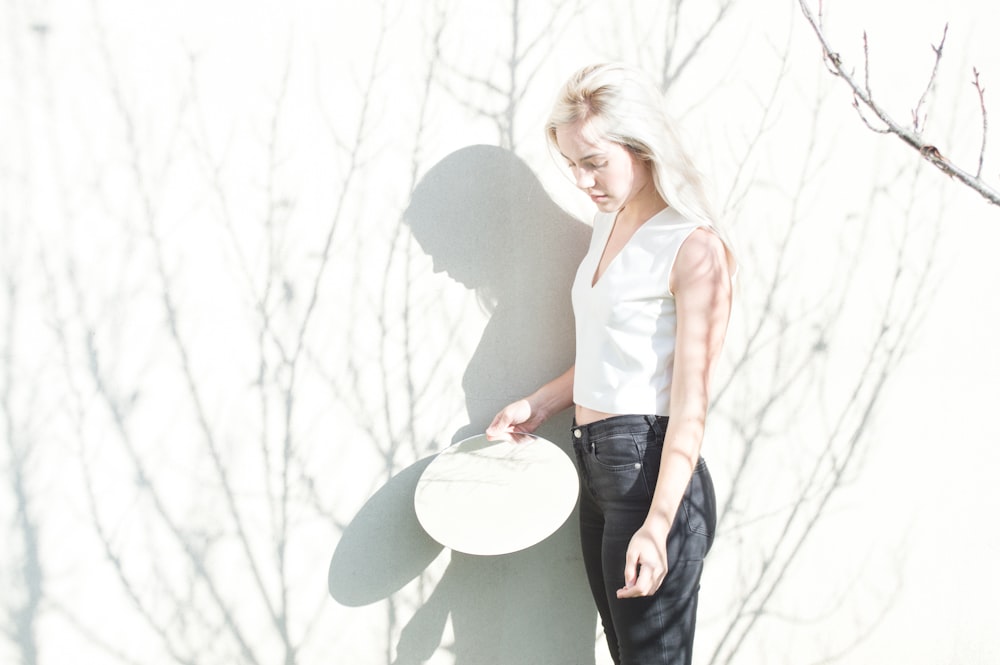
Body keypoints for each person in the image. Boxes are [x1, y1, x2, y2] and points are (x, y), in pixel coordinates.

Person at [486, 63, 735, 665]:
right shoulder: (608, 224)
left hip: (651, 475)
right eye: (572, 163)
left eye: (594, 161)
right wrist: (539, 404)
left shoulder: (692, 246)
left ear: (642, 146)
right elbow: (613, 353)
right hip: (597, 472)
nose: (581, 180)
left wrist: (659, 523)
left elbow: (690, 403)